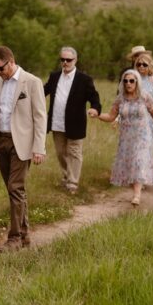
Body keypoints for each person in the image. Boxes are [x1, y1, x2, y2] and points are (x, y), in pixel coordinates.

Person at [0, 45, 47, 250]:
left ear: (11, 62)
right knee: (14, 190)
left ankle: (14, 239)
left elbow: (40, 117)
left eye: (1, 68)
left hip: (21, 143)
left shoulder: (32, 82)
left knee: (15, 188)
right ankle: (24, 235)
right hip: (0, 141)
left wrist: (39, 147)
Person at [89, 70, 153, 205]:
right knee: (130, 165)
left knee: (139, 161)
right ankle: (135, 189)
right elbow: (111, 116)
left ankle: (137, 195)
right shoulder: (120, 99)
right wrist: (97, 114)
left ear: (137, 83)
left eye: (131, 81)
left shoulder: (145, 97)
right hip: (126, 137)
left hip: (143, 136)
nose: (128, 84)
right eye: (125, 81)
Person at [43, 47, 101, 195]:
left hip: (75, 123)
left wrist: (95, 108)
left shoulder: (84, 79)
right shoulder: (54, 76)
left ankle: (73, 183)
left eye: (68, 60)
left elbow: (94, 97)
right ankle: (66, 176)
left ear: (75, 60)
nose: (65, 62)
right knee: (61, 152)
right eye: (62, 59)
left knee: (74, 152)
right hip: (56, 122)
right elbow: (43, 91)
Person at [130, 50, 153, 170]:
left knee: (146, 149)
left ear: (150, 66)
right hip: (132, 120)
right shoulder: (130, 79)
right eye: (138, 64)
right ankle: (136, 175)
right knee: (134, 149)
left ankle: (143, 177)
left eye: (144, 64)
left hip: (150, 121)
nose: (141, 67)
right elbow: (123, 101)